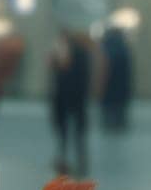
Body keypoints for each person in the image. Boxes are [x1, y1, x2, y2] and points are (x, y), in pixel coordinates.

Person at [48, 30, 92, 177]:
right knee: (75, 132)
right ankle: (76, 160)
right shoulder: (82, 55)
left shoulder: (72, 54)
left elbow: (61, 68)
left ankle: (70, 159)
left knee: (69, 132)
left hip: (68, 97)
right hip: (74, 98)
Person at [99, 25, 133, 132]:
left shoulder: (105, 47)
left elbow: (103, 67)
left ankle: (109, 123)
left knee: (108, 106)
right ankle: (119, 123)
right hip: (121, 84)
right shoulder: (124, 48)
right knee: (119, 106)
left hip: (109, 83)